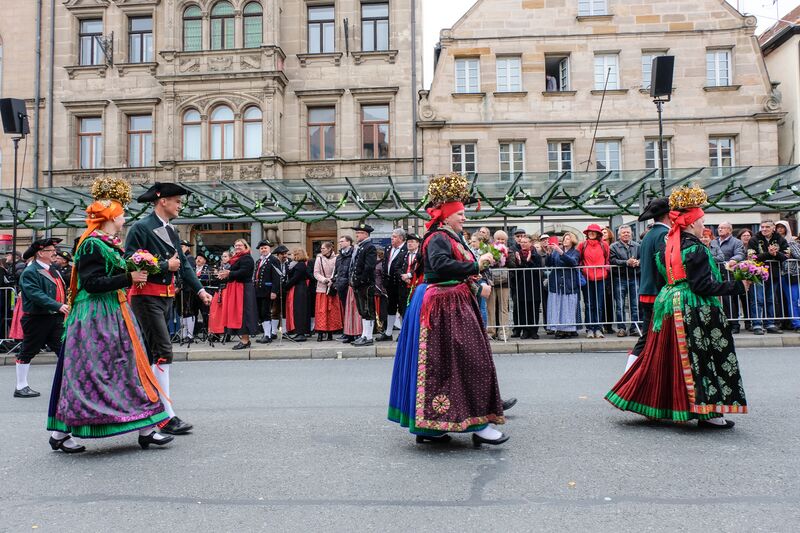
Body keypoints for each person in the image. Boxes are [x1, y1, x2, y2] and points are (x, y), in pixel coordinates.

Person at [47, 176, 173, 453]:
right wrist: (129, 276)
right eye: (121, 214)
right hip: (96, 316)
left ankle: (146, 427)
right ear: (110, 217)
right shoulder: (92, 244)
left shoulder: (104, 242)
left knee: (121, 368)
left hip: (112, 313)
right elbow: (91, 284)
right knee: (99, 371)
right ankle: (64, 431)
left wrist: (134, 270)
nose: (124, 219)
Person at [606, 185, 749, 429]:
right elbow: (702, 286)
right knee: (701, 358)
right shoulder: (695, 248)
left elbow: (671, 277)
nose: (705, 226)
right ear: (691, 223)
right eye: (702, 221)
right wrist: (737, 286)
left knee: (667, 358)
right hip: (692, 307)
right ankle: (709, 413)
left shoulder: (668, 246)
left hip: (668, 304)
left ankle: (659, 404)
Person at [388, 173, 508, 446]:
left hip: (453, 304)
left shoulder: (449, 236)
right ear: (447, 216)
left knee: (445, 366)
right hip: (446, 306)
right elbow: (440, 267)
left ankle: (432, 428)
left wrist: (477, 278)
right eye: (461, 214)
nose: (465, 218)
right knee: (470, 362)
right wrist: (477, 265)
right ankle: (479, 425)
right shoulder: (440, 237)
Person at [125, 182, 212, 436]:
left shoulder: (171, 230)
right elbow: (129, 259)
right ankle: (166, 415)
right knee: (163, 351)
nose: (179, 205)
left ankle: (153, 410)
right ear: (162, 201)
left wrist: (200, 290)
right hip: (145, 297)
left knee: (154, 355)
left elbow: (184, 264)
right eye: (177, 201)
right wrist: (164, 266)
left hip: (165, 298)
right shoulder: (141, 227)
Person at [14, 238, 68, 398]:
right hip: (37, 318)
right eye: (51, 251)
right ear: (40, 253)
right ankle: (20, 386)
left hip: (54, 318)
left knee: (63, 350)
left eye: (54, 250)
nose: (54, 253)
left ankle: (68, 385)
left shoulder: (53, 269)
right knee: (28, 351)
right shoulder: (30, 272)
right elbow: (35, 294)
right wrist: (57, 305)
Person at [625, 197, 671, 370]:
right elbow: (664, 266)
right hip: (656, 293)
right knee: (648, 338)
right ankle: (629, 375)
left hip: (648, 291)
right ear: (668, 214)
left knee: (649, 337)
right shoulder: (663, 234)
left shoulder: (651, 233)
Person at [210, 239, 260, 349]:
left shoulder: (247, 258)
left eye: (240, 245)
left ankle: (245, 340)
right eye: (236, 245)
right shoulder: (236, 258)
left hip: (243, 289)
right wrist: (226, 275)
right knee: (238, 314)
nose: (237, 247)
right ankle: (244, 339)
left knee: (243, 314)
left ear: (245, 246)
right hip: (236, 289)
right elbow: (234, 273)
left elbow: (244, 272)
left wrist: (229, 273)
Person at [748, 220, 789, 335]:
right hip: (757, 274)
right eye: (762, 227)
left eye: (767, 227)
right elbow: (752, 256)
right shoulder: (754, 239)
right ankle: (756, 324)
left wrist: (776, 254)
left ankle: (770, 323)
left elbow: (786, 255)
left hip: (774, 274)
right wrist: (769, 254)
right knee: (758, 300)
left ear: (773, 228)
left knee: (770, 300)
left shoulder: (780, 239)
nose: (764, 229)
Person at [710, 222, 746, 334]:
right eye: (719, 228)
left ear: (730, 230)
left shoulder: (736, 242)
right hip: (716, 274)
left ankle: (734, 324)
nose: (719, 230)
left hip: (730, 274)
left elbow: (741, 254)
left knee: (730, 300)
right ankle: (724, 323)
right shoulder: (714, 241)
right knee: (719, 301)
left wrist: (734, 259)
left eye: (723, 228)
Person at [545, 233, 581, 339]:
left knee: (568, 306)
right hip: (556, 282)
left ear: (572, 241)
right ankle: (559, 329)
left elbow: (573, 262)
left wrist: (560, 252)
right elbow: (549, 264)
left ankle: (568, 330)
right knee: (557, 306)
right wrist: (549, 253)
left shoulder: (575, 252)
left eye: (568, 239)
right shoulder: (557, 251)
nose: (565, 240)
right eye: (564, 239)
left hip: (569, 282)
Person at [578, 224, 610, 338]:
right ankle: (590, 328)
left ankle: (598, 328)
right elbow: (578, 259)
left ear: (598, 233)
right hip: (587, 278)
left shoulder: (604, 245)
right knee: (588, 304)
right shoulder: (582, 245)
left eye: (594, 231)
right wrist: (582, 268)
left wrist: (606, 268)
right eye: (589, 231)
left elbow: (607, 259)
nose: (591, 233)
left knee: (599, 304)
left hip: (600, 278)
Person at [609, 225, 640, 337]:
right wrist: (626, 262)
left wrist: (638, 262)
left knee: (635, 304)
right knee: (620, 305)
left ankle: (634, 327)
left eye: (628, 232)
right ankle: (621, 328)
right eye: (624, 233)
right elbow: (612, 260)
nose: (626, 234)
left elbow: (642, 258)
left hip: (634, 277)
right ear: (619, 235)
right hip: (620, 278)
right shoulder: (613, 247)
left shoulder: (637, 246)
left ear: (631, 233)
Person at [349, 223, 377, 346]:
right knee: (362, 311)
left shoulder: (369, 247)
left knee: (368, 310)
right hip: (359, 284)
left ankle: (369, 337)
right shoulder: (360, 247)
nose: (356, 235)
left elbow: (369, 267)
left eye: (359, 233)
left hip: (365, 284)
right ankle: (364, 335)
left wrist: (360, 280)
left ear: (365, 234)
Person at [487, 230, 516, 341]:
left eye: (502, 239)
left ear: (506, 240)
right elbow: (485, 265)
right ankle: (491, 331)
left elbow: (513, 266)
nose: (500, 241)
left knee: (504, 308)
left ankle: (503, 331)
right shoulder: (489, 250)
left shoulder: (510, 251)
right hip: (492, 282)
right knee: (491, 308)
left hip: (504, 283)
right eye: (498, 239)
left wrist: (505, 256)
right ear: (494, 240)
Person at [513, 234, 544, 339]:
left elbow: (538, 271)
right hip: (521, 286)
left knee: (534, 309)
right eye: (521, 242)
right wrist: (520, 262)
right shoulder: (518, 255)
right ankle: (525, 331)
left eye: (525, 242)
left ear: (530, 243)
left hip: (534, 287)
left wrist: (529, 261)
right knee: (523, 310)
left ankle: (534, 331)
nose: (523, 244)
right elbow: (516, 272)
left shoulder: (537, 255)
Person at [381, 228, 408, 341]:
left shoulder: (406, 249)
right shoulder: (388, 248)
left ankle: (403, 333)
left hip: (400, 282)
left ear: (401, 238)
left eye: (394, 236)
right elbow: (385, 263)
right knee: (390, 307)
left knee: (402, 307)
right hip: (389, 282)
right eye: (392, 236)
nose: (392, 238)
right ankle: (388, 333)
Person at [313, 241, 342, 341]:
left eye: (323, 248)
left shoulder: (337, 258)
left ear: (329, 249)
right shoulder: (319, 258)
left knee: (332, 312)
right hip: (321, 288)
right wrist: (325, 280)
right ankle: (320, 333)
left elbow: (339, 271)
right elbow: (316, 273)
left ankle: (330, 333)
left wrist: (333, 280)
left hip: (332, 288)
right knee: (321, 311)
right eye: (321, 248)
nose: (321, 250)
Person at [775, 222, 800, 332]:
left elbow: (798, 255)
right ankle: (791, 323)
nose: (780, 230)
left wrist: (789, 254)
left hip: (792, 273)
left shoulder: (791, 241)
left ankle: (796, 323)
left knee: (794, 300)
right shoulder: (773, 241)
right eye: (778, 228)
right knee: (785, 300)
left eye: (782, 227)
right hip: (780, 274)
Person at [285, 248, 311, 341]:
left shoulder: (300, 265)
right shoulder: (296, 264)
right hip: (297, 288)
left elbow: (295, 278)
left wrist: (286, 285)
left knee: (299, 311)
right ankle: (297, 331)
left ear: (297, 255)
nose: (289, 256)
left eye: (291, 254)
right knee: (296, 310)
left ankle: (301, 333)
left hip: (299, 289)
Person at [253, 239, 276, 343]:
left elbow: (276, 277)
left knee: (265, 312)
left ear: (269, 248)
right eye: (261, 248)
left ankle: (268, 335)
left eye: (265, 248)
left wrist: (274, 291)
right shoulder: (259, 261)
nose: (263, 250)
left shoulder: (273, 259)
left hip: (268, 290)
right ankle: (265, 334)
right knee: (260, 313)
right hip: (258, 291)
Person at [398, 233, 421, 321]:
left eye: (412, 242)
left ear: (418, 243)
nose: (409, 244)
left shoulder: (421, 255)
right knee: (403, 308)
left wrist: (409, 275)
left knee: (414, 308)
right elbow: (397, 268)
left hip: (415, 286)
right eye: (408, 242)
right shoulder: (402, 255)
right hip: (403, 286)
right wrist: (402, 276)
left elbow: (420, 268)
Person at [736, 228, 754, 330]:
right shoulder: (738, 246)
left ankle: (748, 322)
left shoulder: (753, 246)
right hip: (738, 275)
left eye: (748, 235)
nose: (746, 237)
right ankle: (735, 323)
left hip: (749, 276)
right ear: (740, 237)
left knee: (747, 300)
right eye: (744, 235)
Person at [374, 248, 389, 340]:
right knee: (376, 311)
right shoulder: (374, 264)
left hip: (381, 291)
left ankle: (384, 328)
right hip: (375, 290)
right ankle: (377, 328)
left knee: (383, 311)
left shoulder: (382, 264)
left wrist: (383, 290)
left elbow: (383, 278)